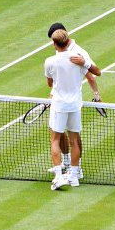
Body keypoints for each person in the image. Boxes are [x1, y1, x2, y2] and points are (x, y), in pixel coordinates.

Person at [44, 28, 99, 189]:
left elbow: (50, 83)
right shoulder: (78, 59)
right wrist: (84, 63)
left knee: (55, 140)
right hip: (75, 105)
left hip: (59, 105)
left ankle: (59, 177)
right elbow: (96, 72)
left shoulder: (50, 61)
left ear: (54, 44)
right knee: (75, 141)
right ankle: (74, 176)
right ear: (68, 41)